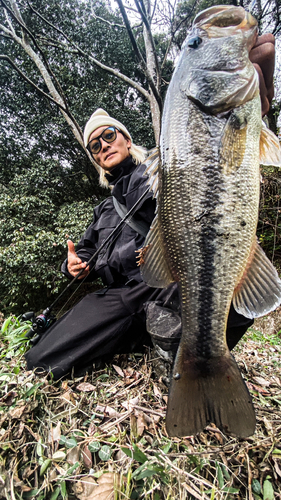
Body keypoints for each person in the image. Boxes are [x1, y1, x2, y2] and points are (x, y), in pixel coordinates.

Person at [25, 35, 276, 380]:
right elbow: (86, 253)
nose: (103, 146)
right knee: (42, 359)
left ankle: (173, 343)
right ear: (95, 159)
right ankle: (150, 335)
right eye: (95, 146)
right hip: (116, 294)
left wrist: (243, 116)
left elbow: (204, 173)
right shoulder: (102, 211)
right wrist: (77, 265)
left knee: (223, 291)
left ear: (127, 139)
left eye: (109, 135)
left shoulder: (162, 168)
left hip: (164, 281)